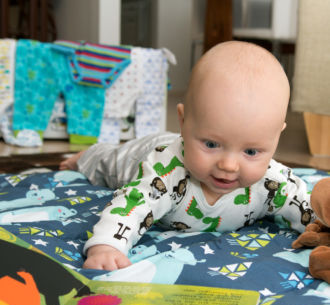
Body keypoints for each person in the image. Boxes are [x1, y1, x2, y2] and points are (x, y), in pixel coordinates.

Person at [60, 41, 314, 271]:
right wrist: (107, 246)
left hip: (184, 143)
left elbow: (309, 207)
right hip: (142, 155)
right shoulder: (165, 172)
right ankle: (85, 155)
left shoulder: (273, 182)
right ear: (183, 121)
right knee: (108, 161)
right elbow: (132, 205)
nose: (228, 165)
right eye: (212, 144)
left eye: (250, 151)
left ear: (275, 138)